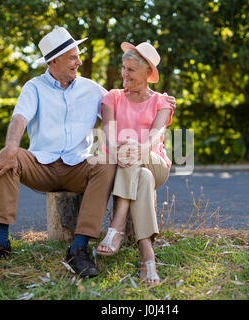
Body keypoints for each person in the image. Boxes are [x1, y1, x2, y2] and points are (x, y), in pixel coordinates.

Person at [0, 27, 176, 278]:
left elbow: (122, 107)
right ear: (54, 60)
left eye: (78, 55)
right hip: (40, 165)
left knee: (105, 162)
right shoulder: (33, 87)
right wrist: (11, 146)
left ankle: (79, 248)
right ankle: (0, 241)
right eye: (72, 57)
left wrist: (161, 102)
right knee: (8, 158)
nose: (79, 61)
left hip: (78, 166)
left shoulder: (93, 89)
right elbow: (19, 118)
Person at [96, 42, 174, 285]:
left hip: (154, 161)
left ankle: (116, 227)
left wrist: (140, 148)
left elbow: (157, 132)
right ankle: (147, 255)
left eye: (131, 70)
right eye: (123, 68)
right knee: (143, 178)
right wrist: (119, 147)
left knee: (135, 153)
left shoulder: (161, 100)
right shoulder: (113, 97)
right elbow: (108, 131)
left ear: (147, 74)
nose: (124, 74)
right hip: (126, 163)